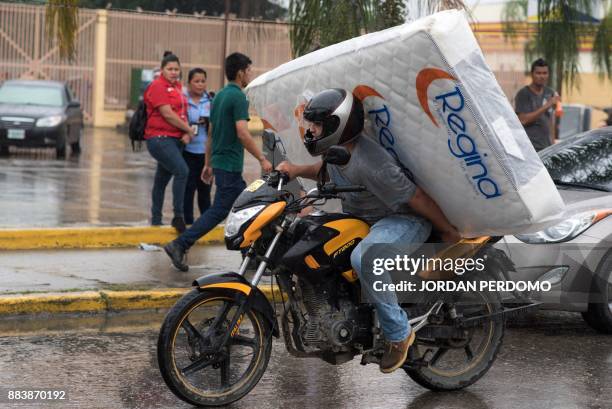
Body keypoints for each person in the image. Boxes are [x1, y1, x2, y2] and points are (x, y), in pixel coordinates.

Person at [274, 88, 461, 374]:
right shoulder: (337, 151)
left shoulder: (372, 162)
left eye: (317, 125)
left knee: (368, 259)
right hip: (364, 218)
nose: (310, 131)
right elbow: (325, 171)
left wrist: (448, 233)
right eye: (311, 124)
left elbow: (417, 198)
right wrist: (295, 170)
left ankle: (399, 334)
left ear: (339, 125)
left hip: (403, 219)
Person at [164, 52, 272, 268]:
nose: (250, 74)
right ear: (241, 72)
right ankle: (180, 243)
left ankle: (248, 257)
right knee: (220, 211)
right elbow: (242, 132)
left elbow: (210, 133)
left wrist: (208, 163)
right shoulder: (239, 97)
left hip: (221, 164)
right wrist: (262, 158)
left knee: (245, 208)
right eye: (249, 70)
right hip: (230, 165)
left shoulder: (220, 96)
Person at [144, 51, 194, 232]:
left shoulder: (179, 88)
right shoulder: (157, 86)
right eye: (169, 69)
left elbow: (182, 113)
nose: (173, 72)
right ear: (162, 70)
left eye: (176, 69)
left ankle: (156, 220)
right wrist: (188, 129)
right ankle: (178, 216)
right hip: (159, 139)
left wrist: (186, 132)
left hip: (175, 139)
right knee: (182, 171)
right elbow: (167, 114)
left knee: (161, 180)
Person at [183, 68, 212, 225]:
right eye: (196, 81)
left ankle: (205, 224)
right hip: (187, 152)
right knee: (188, 190)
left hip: (206, 154)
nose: (200, 85)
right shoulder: (183, 101)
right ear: (189, 83)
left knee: (205, 191)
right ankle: (188, 223)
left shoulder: (210, 101)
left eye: (203, 81)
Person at [515, 58, 561, 151]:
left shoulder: (550, 92)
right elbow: (523, 120)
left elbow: (550, 121)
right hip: (530, 149)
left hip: (547, 148)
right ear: (532, 74)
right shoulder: (523, 94)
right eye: (538, 73)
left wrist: (553, 145)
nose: (542, 76)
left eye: (545, 73)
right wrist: (547, 105)